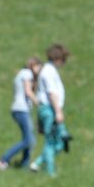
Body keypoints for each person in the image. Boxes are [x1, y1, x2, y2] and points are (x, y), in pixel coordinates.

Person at [30, 44, 70, 176]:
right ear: (58, 59)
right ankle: (51, 173)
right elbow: (52, 93)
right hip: (50, 109)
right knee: (51, 141)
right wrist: (58, 111)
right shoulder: (49, 71)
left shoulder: (49, 70)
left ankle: (37, 163)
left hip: (49, 109)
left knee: (59, 142)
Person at [0, 57, 39, 170]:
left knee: (29, 139)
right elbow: (28, 92)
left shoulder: (21, 73)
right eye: (39, 67)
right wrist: (40, 104)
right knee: (29, 140)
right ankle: (3, 160)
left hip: (20, 109)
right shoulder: (27, 73)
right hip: (22, 109)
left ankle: (24, 164)